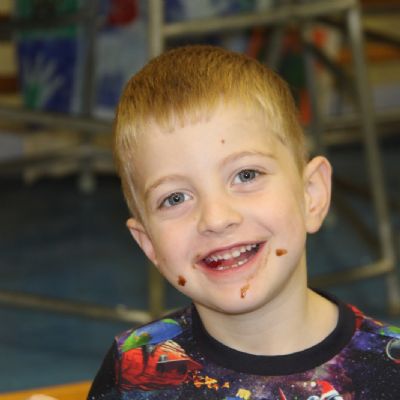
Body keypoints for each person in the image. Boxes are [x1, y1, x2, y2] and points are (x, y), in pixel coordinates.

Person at [87, 45, 400, 399]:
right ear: (149, 244)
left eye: (246, 175)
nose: (216, 218)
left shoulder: (390, 368)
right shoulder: (134, 369)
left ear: (310, 195)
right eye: (175, 198)